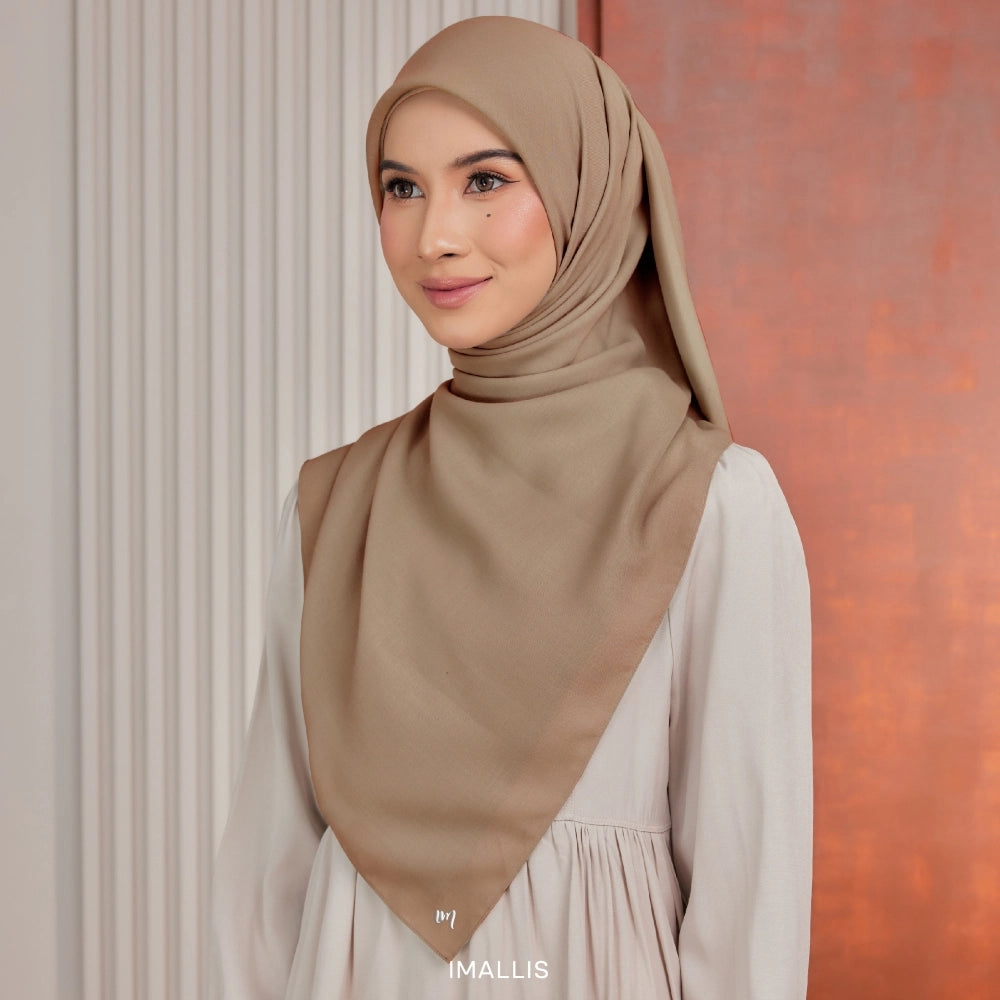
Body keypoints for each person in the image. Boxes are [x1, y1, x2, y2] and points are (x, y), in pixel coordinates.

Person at [213, 15, 812, 1000]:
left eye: (485, 180)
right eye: (402, 187)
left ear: (587, 190)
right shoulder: (335, 506)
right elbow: (265, 873)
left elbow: (749, 890)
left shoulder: (710, 505)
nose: (435, 236)